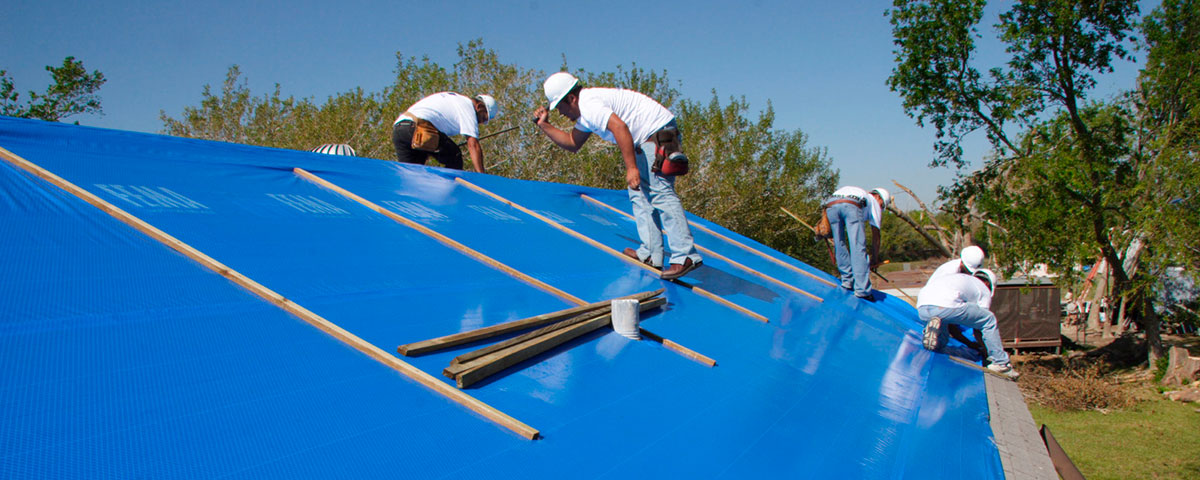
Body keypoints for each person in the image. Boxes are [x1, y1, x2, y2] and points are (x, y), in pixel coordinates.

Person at [532, 72, 702, 280]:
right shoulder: (585, 113)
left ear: (571, 99)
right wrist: (544, 125)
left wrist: (631, 168)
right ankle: (650, 254)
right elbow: (572, 143)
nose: (561, 114)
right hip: (646, 138)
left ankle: (685, 255)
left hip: (657, 133)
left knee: (660, 193)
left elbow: (619, 127)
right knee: (639, 194)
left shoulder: (589, 104)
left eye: (560, 107)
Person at [917, 268, 1019, 378]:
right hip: (947, 307)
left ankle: (937, 343)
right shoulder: (983, 289)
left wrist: (969, 344)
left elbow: (952, 327)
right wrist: (985, 353)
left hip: (923, 308)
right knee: (989, 320)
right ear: (987, 283)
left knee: (942, 333)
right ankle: (1001, 363)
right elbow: (980, 327)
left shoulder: (959, 279)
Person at [391, 92, 498, 173]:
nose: (481, 123)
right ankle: (450, 195)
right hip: (417, 128)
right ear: (478, 106)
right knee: (454, 156)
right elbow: (473, 144)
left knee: (412, 175)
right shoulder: (468, 107)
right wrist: (482, 176)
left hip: (399, 130)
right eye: (483, 118)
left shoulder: (454, 99)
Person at [824, 186, 891, 299]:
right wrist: (874, 258)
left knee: (839, 243)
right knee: (857, 245)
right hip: (851, 205)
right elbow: (876, 235)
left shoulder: (860, 193)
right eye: (882, 205)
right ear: (878, 197)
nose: (880, 208)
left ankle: (847, 281)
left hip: (831, 204)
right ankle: (862, 290)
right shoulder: (873, 201)